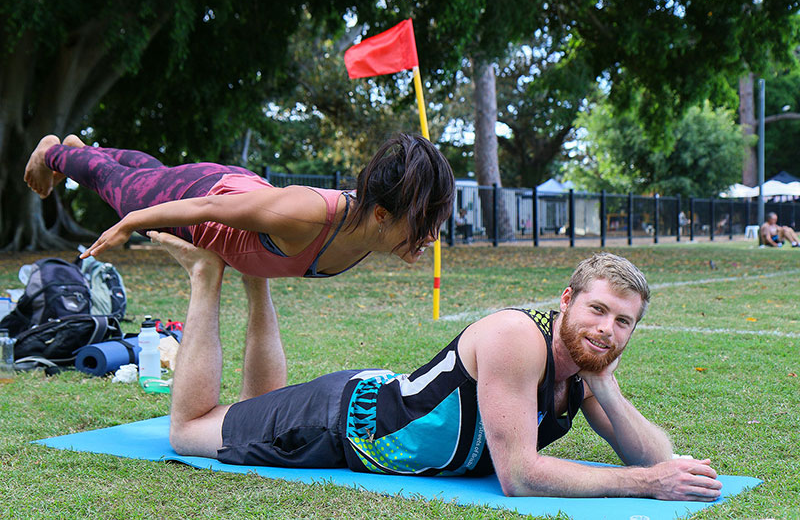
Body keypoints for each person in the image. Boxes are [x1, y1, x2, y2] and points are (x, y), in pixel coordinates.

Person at [158, 233, 722, 501]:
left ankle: (256, 276)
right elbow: (520, 476)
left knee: (254, 408)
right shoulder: (517, 338)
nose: (608, 329)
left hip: (374, 399)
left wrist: (606, 384)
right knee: (189, 432)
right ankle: (208, 278)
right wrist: (647, 484)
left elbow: (658, 458)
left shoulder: (583, 366)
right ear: (567, 300)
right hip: (336, 425)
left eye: (624, 322)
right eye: (598, 310)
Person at [25, 133, 454, 395]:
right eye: (423, 225)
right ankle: (56, 154)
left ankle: (87, 152)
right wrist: (130, 224)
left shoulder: (369, 233)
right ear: (381, 216)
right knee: (124, 188)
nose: (431, 238)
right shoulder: (306, 214)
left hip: (239, 191)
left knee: (150, 174)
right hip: (209, 195)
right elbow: (209, 205)